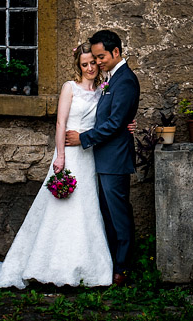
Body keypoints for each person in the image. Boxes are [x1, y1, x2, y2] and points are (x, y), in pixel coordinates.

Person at [0, 44, 113, 289]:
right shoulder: (70, 88)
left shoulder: (104, 89)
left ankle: (86, 267)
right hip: (70, 154)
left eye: (93, 63)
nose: (90, 68)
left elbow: (109, 118)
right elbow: (60, 124)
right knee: (61, 209)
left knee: (87, 209)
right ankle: (47, 265)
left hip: (89, 156)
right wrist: (60, 157)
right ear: (77, 66)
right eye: (84, 64)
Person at [65, 29, 139, 286]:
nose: (96, 63)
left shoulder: (125, 80)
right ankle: (110, 264)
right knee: (107, 214)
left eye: (100, 57)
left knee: (118, 215)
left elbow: (116, 123)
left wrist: (82, 139)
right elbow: (113, 117)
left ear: (116, 52)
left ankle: (123, 268)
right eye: (93, 58)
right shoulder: (111, 80)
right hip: (104, 158)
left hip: (115, 159)